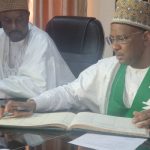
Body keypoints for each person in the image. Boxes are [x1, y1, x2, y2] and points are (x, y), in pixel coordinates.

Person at [1, 0, 150, 129]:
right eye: (112, 39)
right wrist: (33, 104)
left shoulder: (39, 40)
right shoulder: (107, 68)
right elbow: (70, 92)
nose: (115, 46)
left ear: (146, 37)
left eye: (122, 38)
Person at [0, 0, 75, 99]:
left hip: (57, 107)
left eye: (19, 20)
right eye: (7, 21)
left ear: (27, 17)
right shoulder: (1, 37)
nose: (13, 26)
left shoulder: (40, 40)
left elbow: (35, 88)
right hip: (16, 106)